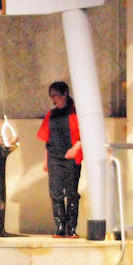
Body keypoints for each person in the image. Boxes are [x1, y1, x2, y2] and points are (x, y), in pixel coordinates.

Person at [37, 80, 82, 238]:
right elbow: (47, 140)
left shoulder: (76, 113)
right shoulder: (51, 115)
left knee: (71, 192)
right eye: (51, 95)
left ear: (64, 94)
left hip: (71, 157)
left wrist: (75, 148)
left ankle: (71, 227)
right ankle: (61, 227)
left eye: (55, 95)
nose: (53, 99)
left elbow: (85, 134)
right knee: (55, 193)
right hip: (54, 157)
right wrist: (46, 161)